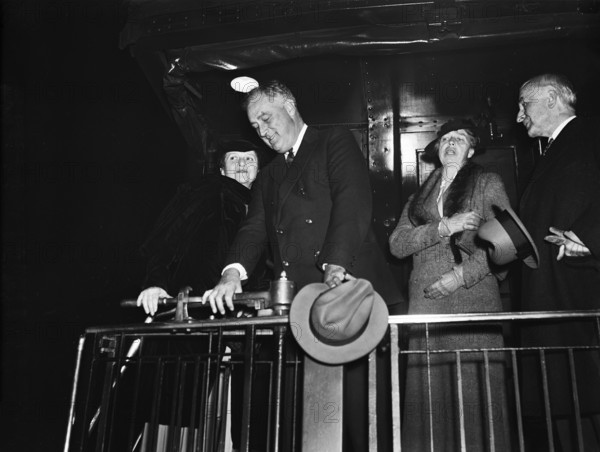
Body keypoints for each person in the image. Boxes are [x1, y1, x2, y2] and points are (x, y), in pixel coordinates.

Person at [203, 80, 404, 451]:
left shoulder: (333, 142)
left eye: (266, 118)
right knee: (317, 416)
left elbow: (352, 205)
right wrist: (232, 273)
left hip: (347, 296)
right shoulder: (269, 174)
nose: (262, 131)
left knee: (360, 415)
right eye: (255, 126)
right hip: (302, 308)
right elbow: (253, 230)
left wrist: (335, 264)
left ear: (290, 106)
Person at [389, 119, 513, 451]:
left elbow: (509, 243)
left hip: (473, 301)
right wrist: (444, 227)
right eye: (444, 139)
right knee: (430, 396)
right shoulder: (418, 198)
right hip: (426, 307)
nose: (450, 144)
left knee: (476, 394)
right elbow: (397, 244)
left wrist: (460, 276)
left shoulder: (487, 183)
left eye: (458, 139)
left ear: (471, 150)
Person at [516, 74, 600, 450]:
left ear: (551, 98)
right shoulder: (551, 149)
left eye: (523, 105)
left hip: (578, 293)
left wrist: (588, 235)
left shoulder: (590, 133)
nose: (519, 117)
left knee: (588, 402)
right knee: (565, 409)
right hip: (550, 297)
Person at [137, 138, 265, 315]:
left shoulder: (262, 208)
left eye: (249, 159)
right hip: (197, 305)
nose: (242, 163)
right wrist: (155, 283)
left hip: (238, 311)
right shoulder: (207, 191)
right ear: (221, 170)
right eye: (233, 159)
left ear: (258, 170)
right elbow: (169, 234)